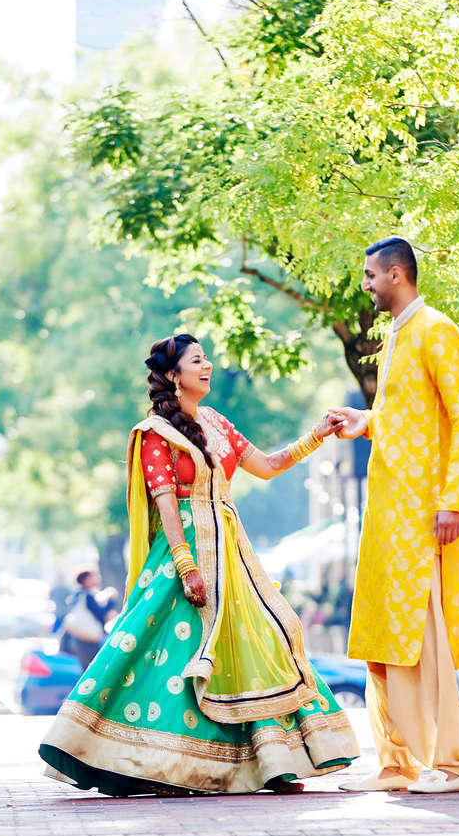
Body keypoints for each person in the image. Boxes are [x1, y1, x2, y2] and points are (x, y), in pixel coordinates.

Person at [39, 333, 359, 796]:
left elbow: (266, 466)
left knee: (256, 644)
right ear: (173, 375)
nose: (207, 365)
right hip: (182, 556)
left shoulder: (215, 420)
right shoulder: (156, 433)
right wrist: (187, 569)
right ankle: (163, 763)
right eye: (196, 360)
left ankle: (272, 761)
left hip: (231, 553)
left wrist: (316, 436)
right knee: (167, 653)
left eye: (207, 358)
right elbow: (166, 506)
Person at [329, 236, 459, 794]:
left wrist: (450, 501)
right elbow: (403, 416)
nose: (366, 285)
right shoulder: (397, 333)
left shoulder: (437, 330)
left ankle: (451, 766)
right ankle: (395, 764)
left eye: (371, 275)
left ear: (396, 274)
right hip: (387, 513)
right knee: (379, 634)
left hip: (423, 515)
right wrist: (363, 421)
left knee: (424, 635)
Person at [58, 566, 119, 669]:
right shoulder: (87, 596)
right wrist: (111, 601)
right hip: (88, 640)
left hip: (78, 638)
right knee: (95, 669)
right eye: (94, 576)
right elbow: (101, 614)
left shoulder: (77, 595)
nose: (98, 578)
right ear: (86, 580)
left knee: (86, 669)